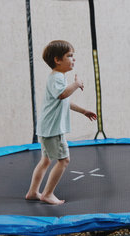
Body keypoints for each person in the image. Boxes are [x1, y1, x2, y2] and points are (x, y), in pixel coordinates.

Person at [25, 40, 97, 205]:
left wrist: (83, 111)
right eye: (70, 56)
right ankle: (47, 194)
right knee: (64, 160)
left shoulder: (58, 78)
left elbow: (65, 101)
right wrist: (76, 84)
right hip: (53, 130)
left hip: (47, 128)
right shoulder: (57, 78)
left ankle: (33, 192)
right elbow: (63, 95)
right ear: (58, 60)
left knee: (46, 161)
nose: (74, 59)